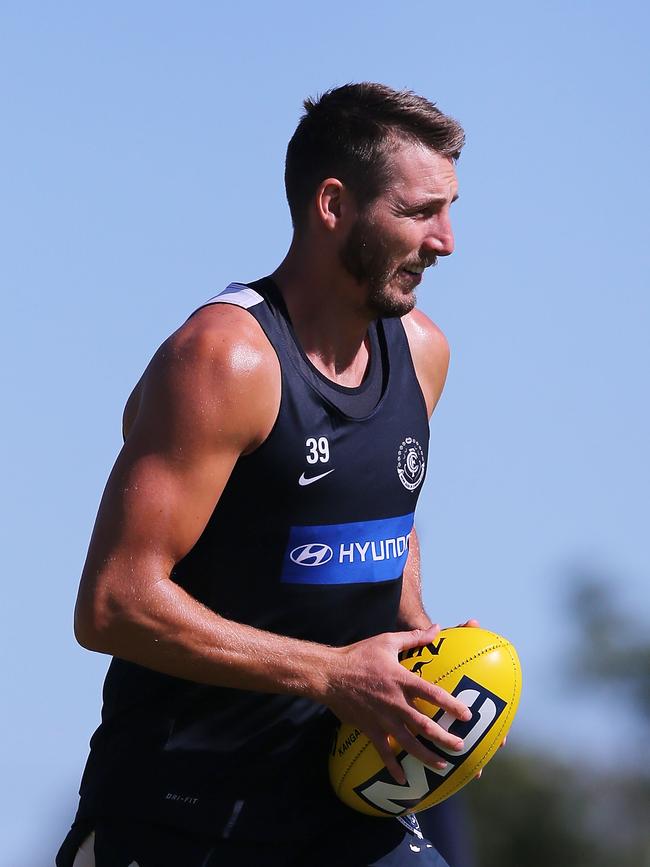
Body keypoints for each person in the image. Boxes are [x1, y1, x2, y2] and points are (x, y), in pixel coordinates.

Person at [57, 82, 472, 866]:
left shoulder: (423, 353)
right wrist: (333, 672)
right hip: (180, 820)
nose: (446, 240)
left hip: (346, 812)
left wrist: (419, 633)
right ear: (332, 204)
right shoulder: (224, 360)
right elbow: (113, 602)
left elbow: (384, 515)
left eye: (449, 208)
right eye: (420, 212)